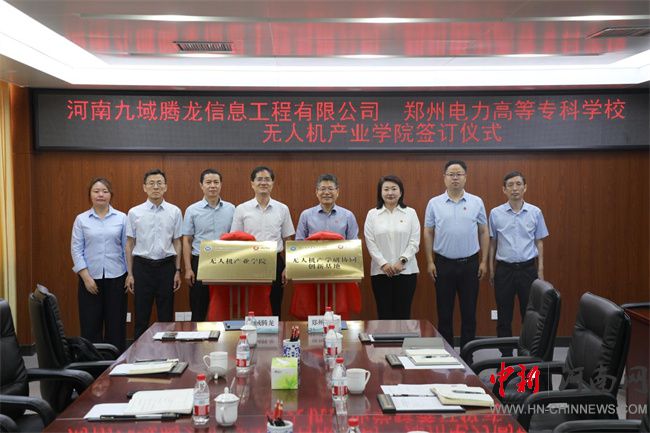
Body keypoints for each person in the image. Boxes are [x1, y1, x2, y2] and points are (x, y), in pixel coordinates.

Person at [424, 160, 489, 352]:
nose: (455, 178)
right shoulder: (434, 203)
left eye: (458, 174)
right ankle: (448, 355)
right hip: (443, 265)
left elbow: (484, 231)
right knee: (444, 314)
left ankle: (468, 355)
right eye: (451, 174)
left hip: (470, 264)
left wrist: (484, 261)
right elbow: (428, 232)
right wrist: (429, 261)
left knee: (469, 314)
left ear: (465, 177)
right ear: (444, 177)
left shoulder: (476, 202)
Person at [489, 171, 548, 356]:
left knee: (529, 316)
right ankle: (505, 357)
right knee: (503, 316)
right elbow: (493, 243)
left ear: (525, 187)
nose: (514, 188)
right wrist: (491, 268)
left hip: (528, 270)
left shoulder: (535, 212)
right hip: (504, 270)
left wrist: (540, 270)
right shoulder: (495, 213)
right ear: (504, 189)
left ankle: (526, 357)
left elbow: (539, 242)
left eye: (518, 184)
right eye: (510, 185)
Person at [70, 177, 128, 352]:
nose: (100, 194)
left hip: (117, 277)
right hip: (89, 278)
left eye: (104, 191)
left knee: (116, 324)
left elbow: (127, 248)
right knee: (90, 324)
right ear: (90, 195)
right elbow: (76, 249)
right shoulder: (81, 220)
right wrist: (86, 277)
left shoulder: (122, 218)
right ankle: (92, 362)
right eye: (96, 191)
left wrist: (130, 274)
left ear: (111, 195)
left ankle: (116, 361)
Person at [125, 169, 182, 339]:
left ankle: (168, 352)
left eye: (159, 183)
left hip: (166, 267)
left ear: (165, 187)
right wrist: (130, 274)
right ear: (144, 187)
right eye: (151, 183)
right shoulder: (134, 212)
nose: (155, 187)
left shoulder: (174, 211)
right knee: (141, 316)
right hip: (142, 267)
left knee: (166, 316)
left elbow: (177, 242)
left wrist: (177, 271)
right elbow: (130, 244)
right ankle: (138, 353)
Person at [231, 166, 295, 317]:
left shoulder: (282, 209)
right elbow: (235, 239)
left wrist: (288, 266)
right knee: (251, 303)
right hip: (249, 262)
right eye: (259, 179)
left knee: (275, 303)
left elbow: (287, 239)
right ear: (252, 184)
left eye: (267, 179)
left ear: (272, 183)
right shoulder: (241, 209)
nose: (263, 183)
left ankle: (275, 332)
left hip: (275, 261)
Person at [182, 168, 235, 321]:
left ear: (221, 184)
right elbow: (187, 240)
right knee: (198, 307)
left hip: (225, 262)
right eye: (208, 182)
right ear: (201, 185)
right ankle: (197, 336)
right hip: (200, 262)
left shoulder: (232, 209)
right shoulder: (192, 210)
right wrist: (188, 269)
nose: (212, 186)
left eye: (216, 182)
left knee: (224, 308)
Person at [364, 175, 420, 319]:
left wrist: (402, 261)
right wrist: (383, 263)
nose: (390, 193)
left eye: (394, 189)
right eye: (386, 189)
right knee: (384, 314)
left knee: (403, 314)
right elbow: (370, 242)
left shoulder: (410, 213)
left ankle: (402, 336)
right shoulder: (372, 214)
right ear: (380, 192)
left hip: (407, 271)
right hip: (380, 272)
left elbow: (414, 241)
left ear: (401, 192)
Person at [295, 173, 358, 240]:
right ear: (317, 192)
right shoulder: (306, 215)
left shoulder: (348, 216)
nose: (327, 192)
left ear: (337, 192)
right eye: (323, 189)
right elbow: (299, 243)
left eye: (330, 189)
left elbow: (353, 243)